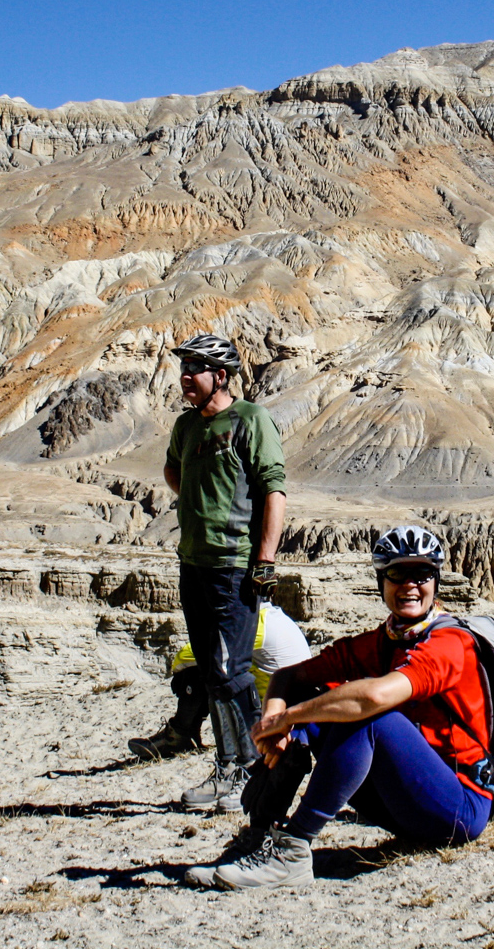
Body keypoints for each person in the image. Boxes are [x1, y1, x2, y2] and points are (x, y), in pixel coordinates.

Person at [186, 525, 493, 891]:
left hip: (458, 808)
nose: (410, 584)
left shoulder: (449, 642)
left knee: (368, 716)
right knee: (314, 702)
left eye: (422, 574)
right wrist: (276, 725)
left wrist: (291, 718)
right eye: (397, 573)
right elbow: (288, 677)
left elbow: (374, 698)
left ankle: (294, 850)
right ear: (382, 581)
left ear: (436, 583)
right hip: (406, 798)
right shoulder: (381, 642)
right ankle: (259, 839)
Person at [130, 332, 287, 812]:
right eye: (183, 368)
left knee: (232, 670)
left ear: (220, 375)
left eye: (193, 369)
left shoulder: (250, 420)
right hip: (193, 562)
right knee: (213, 671)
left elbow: (273, 492)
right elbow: (174, 472)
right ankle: (233, 766)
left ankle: (252, 770)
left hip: (232, 566)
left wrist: (264, 560)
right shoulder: (186, 427)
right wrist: (198, 499)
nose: (184, 378)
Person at [128, 603, 312, 809]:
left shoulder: (254, 624)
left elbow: (188, 655)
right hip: (286, 705)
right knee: (220, 668)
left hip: (277, 715)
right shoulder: (274, 617)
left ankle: (189, 740)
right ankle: (183, 737)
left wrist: (181, 672)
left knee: (211, 671)